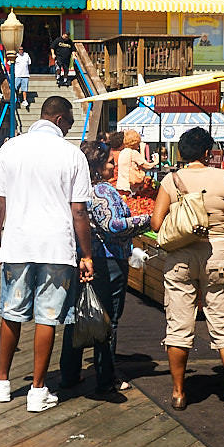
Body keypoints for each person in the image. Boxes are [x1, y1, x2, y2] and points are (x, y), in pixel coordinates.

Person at [0, 96, 94, 412]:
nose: (70, 129)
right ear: (60, 119)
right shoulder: (72, 155)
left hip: (17, 243)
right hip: (57, 247)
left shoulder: (11, 148)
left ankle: (3, 382)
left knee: (12, 311)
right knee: (47, 317)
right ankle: (37, 390)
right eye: (70, 123)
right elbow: (79, 211)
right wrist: (86, 255)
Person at [151, 126, 224, 416]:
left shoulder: (171, 180)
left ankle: (179, 393)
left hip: (180, 256)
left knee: (179, 325)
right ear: (208, 152)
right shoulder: (222, 178)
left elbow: (157, 224)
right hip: (216, 253)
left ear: (182, 153)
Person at [59, 141, 152, 395]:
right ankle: (106, 377)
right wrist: (148, 220)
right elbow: (114, 225)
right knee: (107, 319)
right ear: (99, 166)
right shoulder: (102, 191)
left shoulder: (76, 189)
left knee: (79, 316)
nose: (114, 165)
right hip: (107, 261)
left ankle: (69, 372)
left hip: (81, 258)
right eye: (110, 161)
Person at [12, 45, 32, 109]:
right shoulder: (15, 56)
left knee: (24, 89)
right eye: (20, 49)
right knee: (16, 88)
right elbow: (10, 63)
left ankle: (25, 100)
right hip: (18, 75)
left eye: (22, 49)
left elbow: (29, 64)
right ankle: (17, 98)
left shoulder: (26, 55)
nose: (21, 50)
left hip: (25, 75)